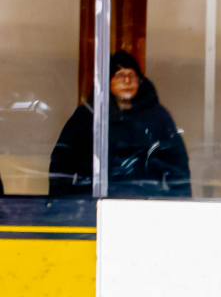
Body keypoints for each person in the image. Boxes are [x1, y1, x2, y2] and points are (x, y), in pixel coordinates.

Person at [49, 49, 191, 198]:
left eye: (132, 76)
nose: (127, 81)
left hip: (145, 201)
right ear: (107, 82)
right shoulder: (88, 116)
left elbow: (177, 163)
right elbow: (62, 162)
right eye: (120, 76)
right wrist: (61, 205)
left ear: (140, 81)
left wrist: (180, 200)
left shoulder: (158, 116)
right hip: (96, 203)